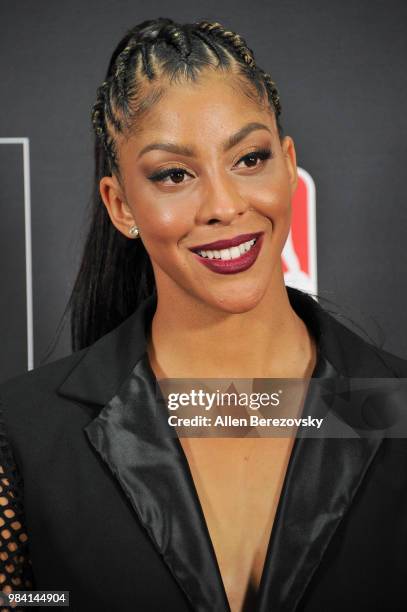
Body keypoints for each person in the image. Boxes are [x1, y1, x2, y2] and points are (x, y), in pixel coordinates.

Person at [0, 17, 407, 612]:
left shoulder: (395, 405)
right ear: (120, 205)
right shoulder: (23, 436)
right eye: (174, 174)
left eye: (249, 158)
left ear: (289, 164)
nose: (224, 205)